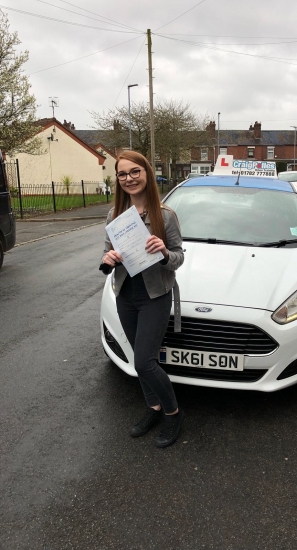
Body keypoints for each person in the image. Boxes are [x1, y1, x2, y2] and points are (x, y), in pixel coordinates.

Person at [101, 151, 185, 448]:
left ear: (147, 173)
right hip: (126, 294)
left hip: (154, 296)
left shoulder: (166, 216)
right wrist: (108, 257)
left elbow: (178, 259)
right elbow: (106, 254)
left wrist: (164, 252)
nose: (129, 178)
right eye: (122, 174)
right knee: (139, 361)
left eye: (134, 172)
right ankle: (154, 408)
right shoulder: (115, 217)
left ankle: (173, 414)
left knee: (145, 362)